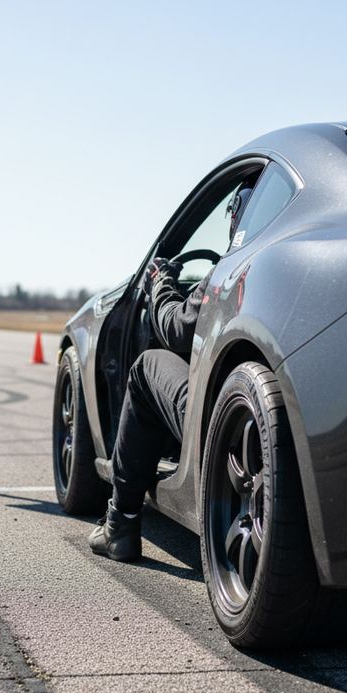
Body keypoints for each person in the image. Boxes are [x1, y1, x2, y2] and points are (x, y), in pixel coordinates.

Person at [89, 183, 254, 562]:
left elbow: (176, 330)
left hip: (216, 421)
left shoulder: (232, 269)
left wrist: (160, 283)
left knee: (146, 367)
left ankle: (121, 521)